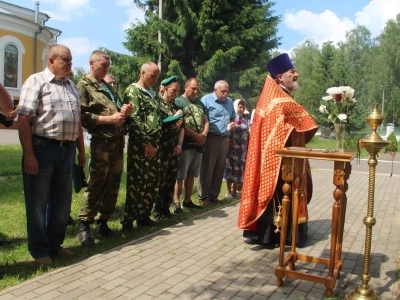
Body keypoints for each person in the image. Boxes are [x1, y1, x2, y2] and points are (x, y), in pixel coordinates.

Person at [238, 53, 317, 249]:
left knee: (288, 193)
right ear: (280, 77)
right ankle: (273, 235)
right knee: (279, 195)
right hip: (278, 161)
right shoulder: (276, 100)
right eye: (292, 71)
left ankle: (280, 234)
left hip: (287, 158)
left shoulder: (280, 97)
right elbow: (290, 126)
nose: (296, 74)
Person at [17, 44, 86, 265]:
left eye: (71, 60)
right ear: (51, 60)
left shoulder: (72, 86)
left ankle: (55, 245)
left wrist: (81, 151)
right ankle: (39, 250)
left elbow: (77, 123)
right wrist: (29, 155)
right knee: (38, 202)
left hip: (66, 151)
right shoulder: (36, 82)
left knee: (61, 202)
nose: (69, 64)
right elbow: (23, 121)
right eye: (65, 60)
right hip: (42, 148)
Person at [76, 50, 132, 246]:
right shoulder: (84, 85)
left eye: (108, 66)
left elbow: (115, 109)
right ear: (92, 63)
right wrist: (109, 119)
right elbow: (81, 116)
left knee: (113, 184)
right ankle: (84, 225)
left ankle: (103, 221)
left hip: (117, 141)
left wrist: (124, 111)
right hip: (102, 143)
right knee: (96, 184)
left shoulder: (106, 86)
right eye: (103, 65)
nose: (106, 69)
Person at [121, 62, 162, 230]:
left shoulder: (152, 93)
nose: (154, 80)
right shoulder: (133, 91)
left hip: (155, 144)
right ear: (142, 73)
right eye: (152, 76)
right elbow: (134, 120)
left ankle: (143, 215)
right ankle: (129, 220)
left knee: (151, 182)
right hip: (141, 146)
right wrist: (147, 143)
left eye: (157, 77)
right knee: (137, 182)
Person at [198, 80, 236, 206]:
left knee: (219, 167)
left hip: (224, 138)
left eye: (227, 91)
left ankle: (214, 195)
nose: (225, 94)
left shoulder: (230, 102)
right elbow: (201, 118)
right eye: (222, 91)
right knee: (207, 167)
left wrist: (232, 123)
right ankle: (204, 197)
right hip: (211, 137)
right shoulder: (206, 100)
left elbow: (233, 117)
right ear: (215, 90)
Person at [173, 78, 209, 212]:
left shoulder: (200, 103)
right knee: (180, 174)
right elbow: (180, 123)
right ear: (186, 87)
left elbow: (206, 121)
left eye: (197, 89)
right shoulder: (178, 101)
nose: (195, 91)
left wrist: (203, 136)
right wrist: (196, 136)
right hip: (186, 143)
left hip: (198, 145)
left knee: (192, 174)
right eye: (193, 88)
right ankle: (176, 202)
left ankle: (187, 200)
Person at [153, 76, 185, 220]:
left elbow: (182, 127)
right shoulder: (156, 103)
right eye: (174, 90)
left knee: (170, 179)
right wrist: (174, 119)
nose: (176, 93)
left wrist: (179, 144)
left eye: (178, 90)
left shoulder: (175, 106)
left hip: (173, 148)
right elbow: (159, 123)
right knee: (159, 180)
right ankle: (158, 210)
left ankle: (165, 209)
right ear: (165, 88)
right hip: (161, 148)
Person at [224, 99, 249, 199]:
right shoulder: (231, 118)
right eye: (240, 107)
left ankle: (235, 190)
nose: (241, 109)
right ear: (235, 107)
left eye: (243, 107)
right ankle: (229, 191)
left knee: (239, 169)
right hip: (232, 147)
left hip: (242, 149)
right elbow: (228, 130)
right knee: (231, 168)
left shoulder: (245, 119)